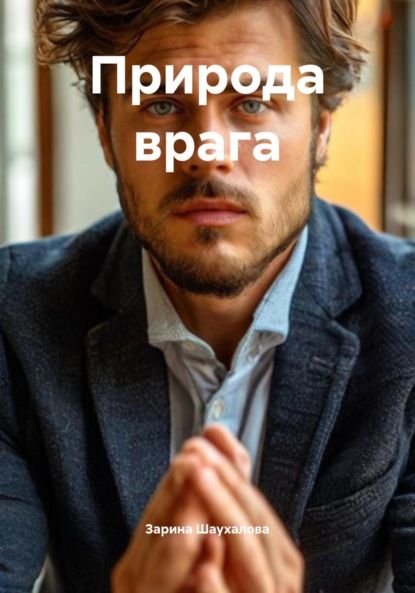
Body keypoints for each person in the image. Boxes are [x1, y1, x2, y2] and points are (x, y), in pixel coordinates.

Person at [0, 0, 414, 592]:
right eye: (161, 105)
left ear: (321, 127)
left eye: (252, 103)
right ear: (106, 134)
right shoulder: (14, 317)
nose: (206, 153)